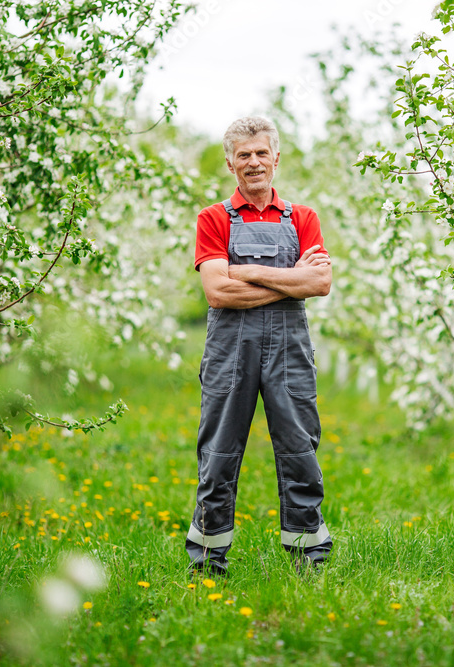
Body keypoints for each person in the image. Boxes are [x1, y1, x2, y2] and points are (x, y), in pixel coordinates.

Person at [185, 116, 333, 574]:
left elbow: (321, 281)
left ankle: (309, 557)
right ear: (230, 163)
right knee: (219, 453)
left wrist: (245, 269)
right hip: (231, 352)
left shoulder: (303, 218)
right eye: (244, 155)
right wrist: (293, 282)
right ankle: (209, 562)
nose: (254, 162)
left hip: (289, 352)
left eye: (261, 153)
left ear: (276, 158)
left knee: (299, 450)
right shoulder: (212, 219)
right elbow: (218, 292)